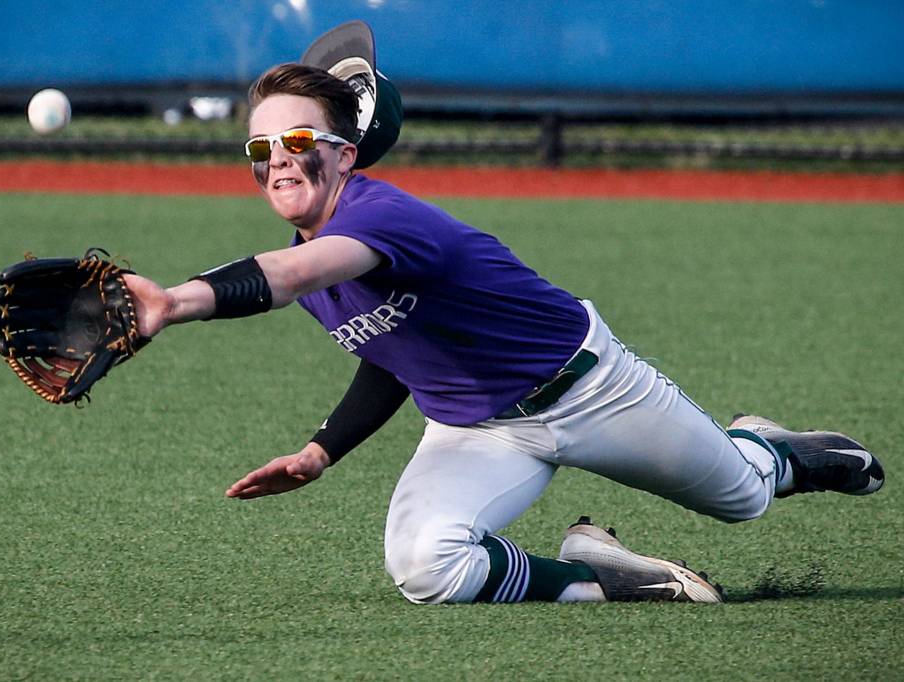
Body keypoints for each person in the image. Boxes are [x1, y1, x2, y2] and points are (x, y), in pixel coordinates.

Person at [123, 60, 884, 605]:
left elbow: (286, 280)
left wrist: (171, 303)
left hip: (590, 389)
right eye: (262, 149)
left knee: (744, 499)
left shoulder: (379, 217)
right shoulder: (311, 261)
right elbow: (393, 353)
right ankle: (601, 575)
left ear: (344, 154)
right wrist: (323, 451)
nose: (279, 160)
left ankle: (767, 448)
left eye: (298, 141)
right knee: (425, 567)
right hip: (476, 431)